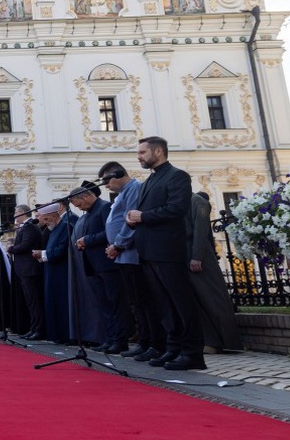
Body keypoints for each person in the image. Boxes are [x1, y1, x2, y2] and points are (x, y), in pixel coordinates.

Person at [126, 136, 205, 371]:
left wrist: (144, 217)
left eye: (142, 152)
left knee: (180, 301)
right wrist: (133, 220)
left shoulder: (177, 176)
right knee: (164, 303)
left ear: (158, 151)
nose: (139, 156)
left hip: (167, 249)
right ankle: (173, 348)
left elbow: (177, 208)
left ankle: (192, 353)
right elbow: (147, 212)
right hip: (149, 250)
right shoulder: (150, 180)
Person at [100, 161, 164, 360]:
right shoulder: (122, 194)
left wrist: (118, 244)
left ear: (118, 175)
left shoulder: (134, 189)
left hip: (132, 253)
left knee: (144, 301)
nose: (106, 186)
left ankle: (154, 342)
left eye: (107, 181)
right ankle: (144, 340)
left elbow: (130, 221)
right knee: (136, 301)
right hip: (123, 255)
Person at [70, 181, 127, 354]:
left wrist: (87, 240)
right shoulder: (88, 213)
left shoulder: (104, 208)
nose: (80, 208)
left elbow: (109, 233)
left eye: (79, 204)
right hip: (94, 265)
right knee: (104, 305)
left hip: (107, 264)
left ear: (87, 196)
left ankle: (120, 340)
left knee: (115, 304)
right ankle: (109, 339)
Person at [188, 192, 241, 352]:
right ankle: (210, 340)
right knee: (198, 300)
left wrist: (197, 255)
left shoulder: (197, 201)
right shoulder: (179, 201)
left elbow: (200, 231)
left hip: (200, 257)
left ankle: (226, 341)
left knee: (212, 298)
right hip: (187, 256)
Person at [35, 202, 70, 343]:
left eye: (47, 219)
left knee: (61, 303)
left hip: (61, 271)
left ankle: (65, 335)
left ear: (54, 216)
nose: (45, 222)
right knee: (52, 303)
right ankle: (55, 334)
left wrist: (42, 254)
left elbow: (61, 250)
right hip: (51, 270)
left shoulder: (65, 227)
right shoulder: (53, 229)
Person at [8, 205, 43, 339]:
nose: (14, 215)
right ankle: (33, 327)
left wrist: (12, 248)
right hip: (25, 270)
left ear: (22, 212)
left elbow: (26, 245)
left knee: (34, 301)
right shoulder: (26, 227)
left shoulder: (29, 227)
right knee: (30, 302)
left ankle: (38, 329)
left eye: (16, 212)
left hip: (30, 270)